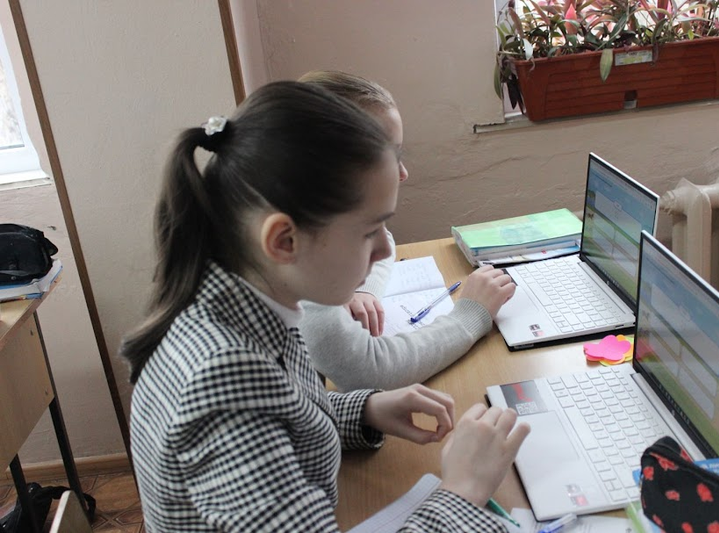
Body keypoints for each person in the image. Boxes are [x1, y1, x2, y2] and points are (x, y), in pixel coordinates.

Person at [119, 81, 529, 532]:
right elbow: (250, 411)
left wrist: (362, 410)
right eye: (369, 232)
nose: (383, 251)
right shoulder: (224, 375)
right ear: (284, 241)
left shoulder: (244, 302)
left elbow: (275, 419)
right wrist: (463, 492)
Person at [298, 70, 516, 391]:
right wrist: (470, 314)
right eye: (391, 156)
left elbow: (383, 238)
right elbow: (372, 372)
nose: (403, 173)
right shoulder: (304, 282)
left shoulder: (312, 227)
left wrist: (364, 289)